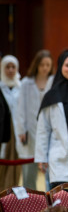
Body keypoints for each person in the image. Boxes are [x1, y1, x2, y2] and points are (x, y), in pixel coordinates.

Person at [35, 50, 68, 188]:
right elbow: (44, 129)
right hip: (59, 157)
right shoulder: (51, 95)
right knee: (60, 202)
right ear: (61, 67)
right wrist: (41, 157)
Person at [14, 50, 54, 190]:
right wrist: (21, 130)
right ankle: (29, 203)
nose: (45, 68)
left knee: (50, 173)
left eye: (48, 65)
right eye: (42, 64)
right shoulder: (26, 83)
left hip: (48, 131)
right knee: (29, 172)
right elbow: (20, 110)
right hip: (29, 131)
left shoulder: (53, 82)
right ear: (36, 64)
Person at [0, 55, 22, 189]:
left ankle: (12, 194)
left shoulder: (21, 86)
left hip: (18, 131)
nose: (10, 70)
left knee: (16, 163)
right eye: (7, 67)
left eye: (13, 67)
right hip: (3, 131)